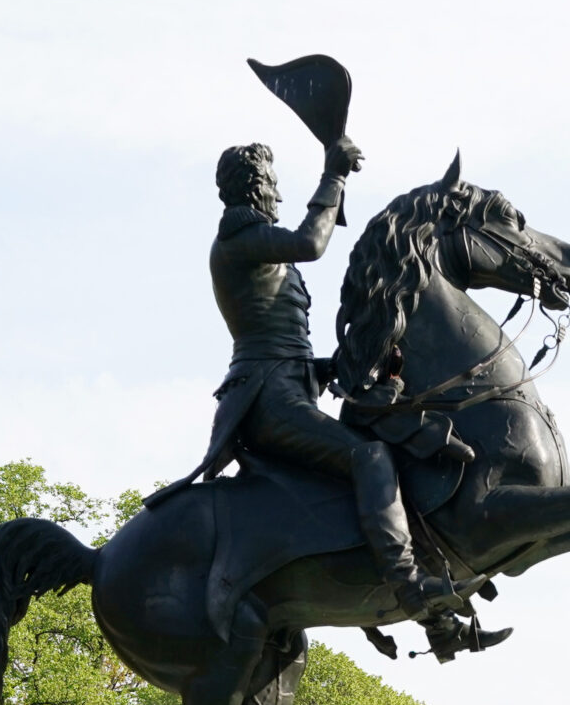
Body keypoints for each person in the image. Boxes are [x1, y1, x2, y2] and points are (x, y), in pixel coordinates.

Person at [161, 136, 470, 623]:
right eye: (273, 186)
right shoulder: (239, 243)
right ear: (255, 186)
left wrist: (339, 367)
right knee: (369, 455)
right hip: (266, 399)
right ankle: (410, 586)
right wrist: (335, 176)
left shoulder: (254, 249)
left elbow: (283, 342)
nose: (279, 198)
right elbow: (311, 242)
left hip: (286, 384)